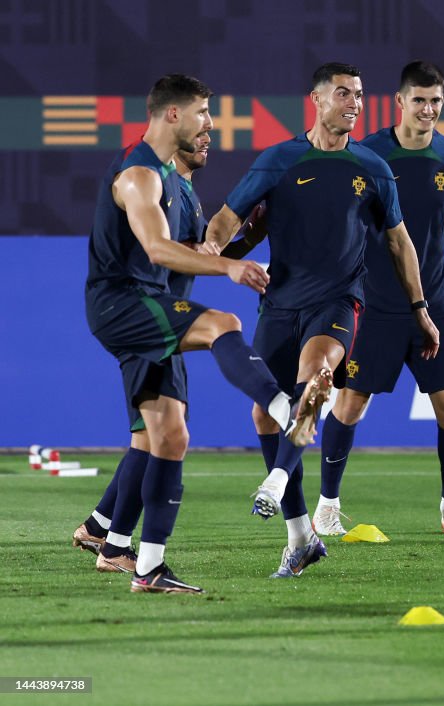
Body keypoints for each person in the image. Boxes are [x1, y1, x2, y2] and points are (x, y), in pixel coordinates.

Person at [204, 62, 440, 578]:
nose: (354, 103)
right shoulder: (279, 160)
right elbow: (227, 217)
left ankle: (274, 482)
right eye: (343, 94)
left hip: (339, 304)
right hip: (280, 304)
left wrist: (421, 309)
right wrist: (213, 253)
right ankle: (301, 538)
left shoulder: (373, 168)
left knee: (317, 381)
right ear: (316, 99)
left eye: (359, 94)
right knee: (266, 415)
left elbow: (399, 242)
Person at [85, 75, 310, 593]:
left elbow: (198, 253)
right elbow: (159, 250)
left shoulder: (178, 182)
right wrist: (232, 272)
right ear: (172, 115)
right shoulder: (140, 175)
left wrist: (244, 242)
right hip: (127, 303)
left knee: (168, 436)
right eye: (204, 112)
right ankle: (283, 408)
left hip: (152, 310)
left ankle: (146, 567)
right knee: (222, 324)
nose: (211, 124)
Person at [313, 61, 444, 538]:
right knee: (350, 404)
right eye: (419, 100)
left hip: (435, 303)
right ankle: (327, 506)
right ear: (399, 102)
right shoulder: (367, 154)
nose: (428, 109)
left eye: (435, 102)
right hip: (373, 304)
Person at [74, 132, 218, 573]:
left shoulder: (186, 193)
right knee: (156, 436)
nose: (207, 137)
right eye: (200, 128)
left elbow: (197, 252)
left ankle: (100, 528)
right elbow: (158, 250)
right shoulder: (150, 180)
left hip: (162, 319)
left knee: (150, 436)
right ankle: (115, 546)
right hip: (148, 321)